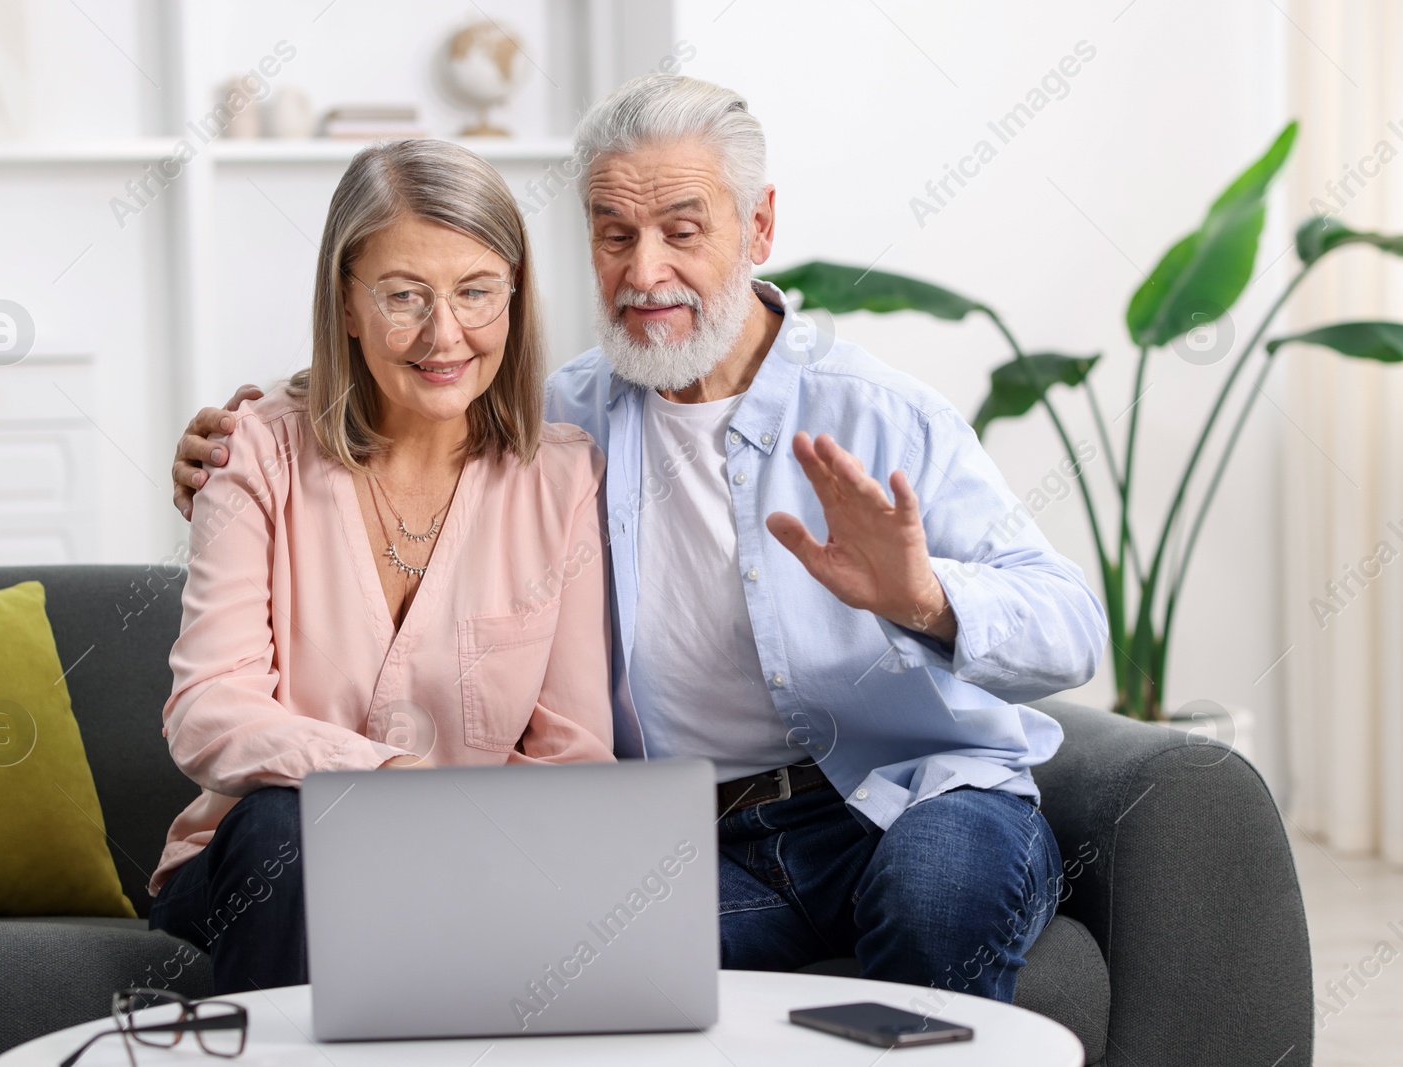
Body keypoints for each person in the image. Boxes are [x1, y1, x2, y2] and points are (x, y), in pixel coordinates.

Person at [171, 75, 1108, 1003]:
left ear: (761, 227)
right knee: (568, 965)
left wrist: (924, 599)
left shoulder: (880, 414)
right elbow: (421, 371)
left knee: (932, 899)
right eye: (616, 235)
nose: (646, 270)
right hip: (699, 843)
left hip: (917, 796)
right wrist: (247, 436)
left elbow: (1073, 625)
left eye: (684, 231)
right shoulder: (558, 429)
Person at [148, 139, 614, 995]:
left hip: (468, 871)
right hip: (262, 878)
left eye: (476, 292)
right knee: (287, 826)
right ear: (348, 305)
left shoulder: (562, 477)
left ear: (514, 295)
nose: (446, 335)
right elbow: (208, 709)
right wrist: (385, 778)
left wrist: (447, 833)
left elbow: (573, 760)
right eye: (405, 296)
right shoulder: (254, 452)